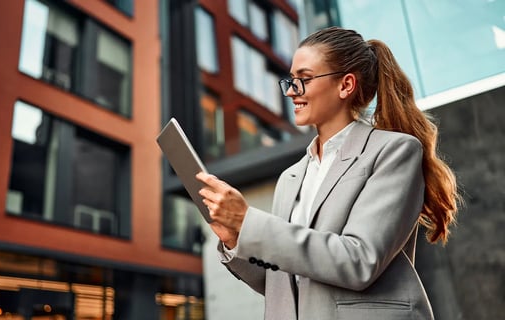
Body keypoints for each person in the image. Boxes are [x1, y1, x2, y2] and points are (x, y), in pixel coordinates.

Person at [196, 26, 460, 320]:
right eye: (291, 81)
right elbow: (282, 284)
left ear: (346, 85)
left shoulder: (394, 152)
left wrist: (250, 221)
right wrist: (235, 238)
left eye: (304, 80)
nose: (292, 91)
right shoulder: (291, 178)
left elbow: (360, 260)